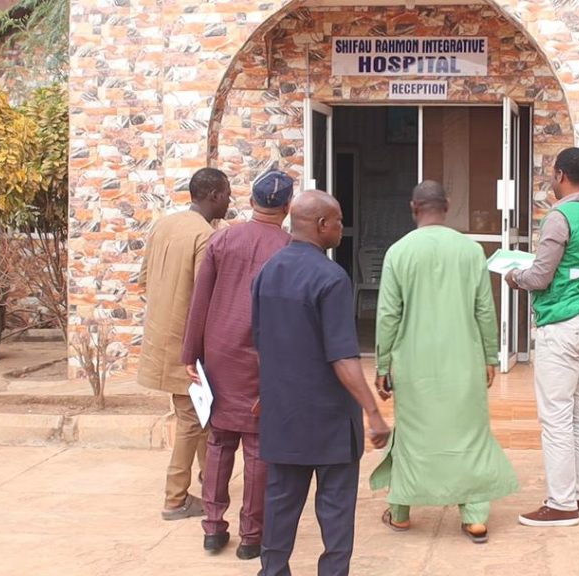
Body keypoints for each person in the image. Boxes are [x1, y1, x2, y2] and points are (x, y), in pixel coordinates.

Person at [369, 181, 519, 544]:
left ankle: (400, 512)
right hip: (463, 362)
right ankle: (475, 517)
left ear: (413, 207)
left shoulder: (399, 252)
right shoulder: (470, 251)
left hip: (414, 364)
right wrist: (489, 354)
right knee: (470, 434)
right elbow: (484, 308)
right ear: (448, 206)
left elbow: (388, 314)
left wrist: (383, 364)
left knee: (412, 435)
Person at [252, 189, 391, 576]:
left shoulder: (267, 273)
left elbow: (260, 343)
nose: (342, 228)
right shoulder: (331, 278)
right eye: (339, 221)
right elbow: (342, 357)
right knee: (335, 509)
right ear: (321, 224)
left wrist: (267, 392)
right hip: (330, 422)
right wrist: (372, 411)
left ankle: (272, 569)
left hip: (283, 415)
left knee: (280, 503)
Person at [181, 170, 294, 559]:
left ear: (251, 202)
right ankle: (251, 537)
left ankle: (213, 528)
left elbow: (200, 300)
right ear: (287, 207)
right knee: (258, 446)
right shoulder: (288, 248)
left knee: (219, 440)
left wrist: (190, 355)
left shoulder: (223, 239)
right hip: (264, 359)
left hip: (220, 354)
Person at [505, 147, 579, 526]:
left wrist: (514, 276)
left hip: (562, 324)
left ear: (560, 175)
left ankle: (561, 503)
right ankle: (576, 495)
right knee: (578, 412)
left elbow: (540, 277)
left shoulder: (560, 217)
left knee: (555, 417)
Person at [137, 167, 231, 520]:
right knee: (192, 419)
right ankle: (175, 499)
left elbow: (143, 280)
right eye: (227, 194)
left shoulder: (163, 225)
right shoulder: (206, 236)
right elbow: (206, 298)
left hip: (160, 337)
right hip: (187, 344)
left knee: (203, 415)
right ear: (214, 196)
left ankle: (210, 480)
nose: (229, 201)